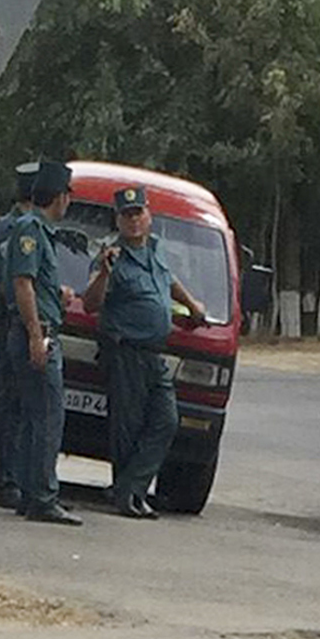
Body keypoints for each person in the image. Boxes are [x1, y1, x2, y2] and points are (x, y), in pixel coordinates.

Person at [83, 183, 212, 520]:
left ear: (148, 215)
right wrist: (104, 275)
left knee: (166, 421)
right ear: (118, 220)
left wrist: (192, 305)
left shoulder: (154, 249)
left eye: (138, 213)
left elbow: (167, 281)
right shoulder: (111, 256)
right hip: (126, 352)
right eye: (126, 216)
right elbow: (90, 303)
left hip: (155, 353)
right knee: (128, 427)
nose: (134, 221)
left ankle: (129, 489)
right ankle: (129, 497)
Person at [7, 159, 82, 525]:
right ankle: (42, 496)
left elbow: (37, 284)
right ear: (59, 197)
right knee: (49, 417)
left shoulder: (39, 232)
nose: (69, 202)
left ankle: (29, 492)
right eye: (68, 195)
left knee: (36, 417)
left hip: (37, 330)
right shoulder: (30, 230)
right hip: (35, 335)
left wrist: (59, 293)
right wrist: (37, 335)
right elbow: (23, 284)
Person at [0, 161, 41, 507]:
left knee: (14, 401)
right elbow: (10, 283)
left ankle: (14, 476)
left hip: (9, 323)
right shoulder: (14, 229)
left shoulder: (11, 225)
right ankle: (9, 480)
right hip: (10, 324)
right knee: (13, 404)